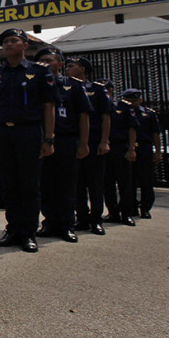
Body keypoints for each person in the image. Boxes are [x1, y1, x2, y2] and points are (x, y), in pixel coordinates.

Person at [0, 29, 56, 253]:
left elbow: (49, 107)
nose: (8, 45)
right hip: (2, 132)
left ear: (25, 45)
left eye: (13, 41)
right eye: (5, 42)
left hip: (28, 132)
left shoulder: (39, 71)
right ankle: (13, 228)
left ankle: (28, 232)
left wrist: (48, 138)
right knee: (8, 184)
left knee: (29, 184)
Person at [34, 46, 92, 244]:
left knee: (67, 184)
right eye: (41, 60)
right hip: (41, 140)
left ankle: (67, 225)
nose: (45, 64)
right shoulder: (35, 83)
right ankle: (49, 222)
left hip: (66, 139)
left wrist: (83, 143)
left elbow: (84, 116)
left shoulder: (72, 85)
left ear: (60, 64)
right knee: (46, 183)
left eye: (49, 60)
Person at [64, 56, 112, 235]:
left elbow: (105, 117)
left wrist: (104, 141)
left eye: (71, 66)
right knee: (77, 182)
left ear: (83, 69)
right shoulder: (67, 87)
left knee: (95, 182)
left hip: (93, 139)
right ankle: (82, 217)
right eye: (67, 66)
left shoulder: (97, 89)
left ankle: (96, 219)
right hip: (73, 139)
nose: (67, 69)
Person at [122, 88, 161, 219]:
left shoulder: (149, 114)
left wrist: (157, 152)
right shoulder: (121, 113)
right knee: (129, 180)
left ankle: (145, 208)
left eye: (135, 100)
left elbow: (155, 133)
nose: (133, 103)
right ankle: (131, 207)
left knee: (146, 180)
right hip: (127, 147)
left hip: (144, 148)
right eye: (129, 100)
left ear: (140, 100)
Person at [103, 82, 138, 226]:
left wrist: (131, 149)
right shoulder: (97, 106)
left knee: (125, 182)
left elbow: (132, 128)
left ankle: (126, 213)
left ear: (110, 90)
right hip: (104, 147)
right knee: (107, 182)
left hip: (120, 146)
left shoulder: (123, 106)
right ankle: (113, 212)